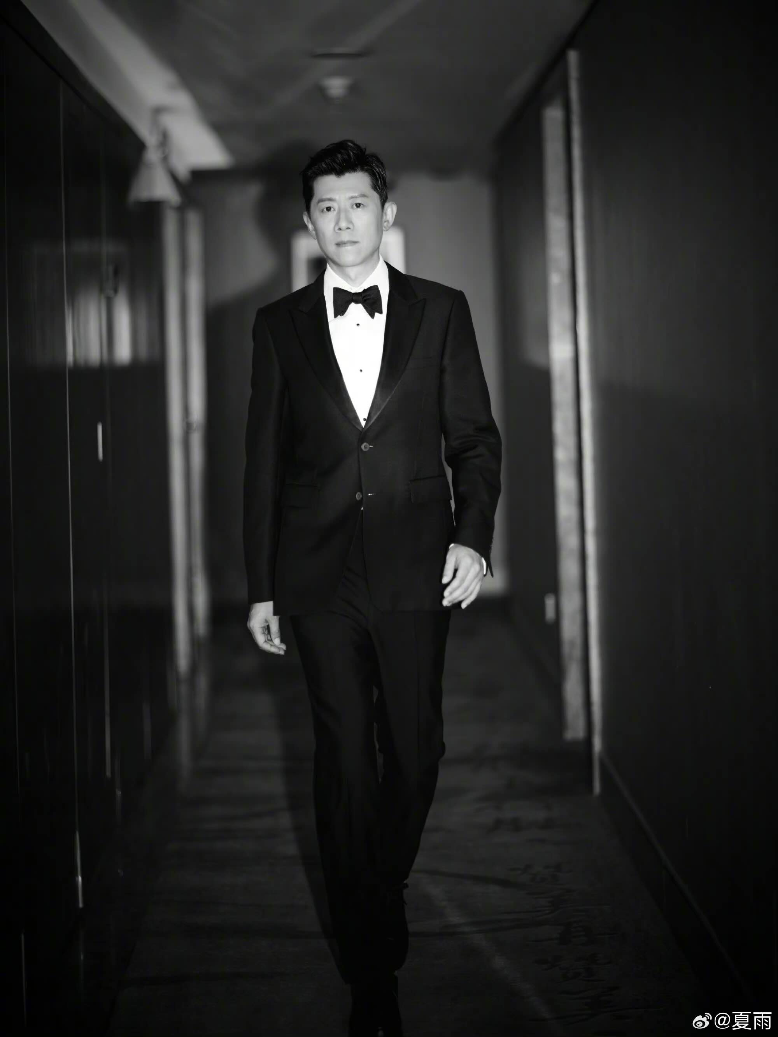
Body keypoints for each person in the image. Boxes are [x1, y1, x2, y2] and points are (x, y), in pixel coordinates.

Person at [243, 139, 501, 1037]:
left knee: (418, 750)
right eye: (326, 206)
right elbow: (261, 463)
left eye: (357, 203)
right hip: (316, 574)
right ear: (308, 222)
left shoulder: (443, 310)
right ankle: (372, 966)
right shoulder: (277, 325)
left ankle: (373, 878)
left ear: (387, 213)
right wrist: (261, 585)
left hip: (416, 562)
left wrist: (473, 538)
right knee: (347, 758)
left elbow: (475, 439)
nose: (342, 220)